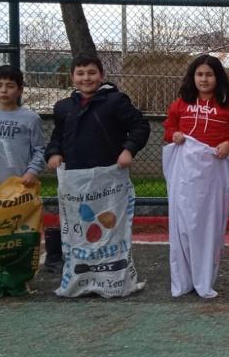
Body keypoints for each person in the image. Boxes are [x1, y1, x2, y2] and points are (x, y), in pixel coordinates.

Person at [44, 55, 150, 273]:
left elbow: (141, 126)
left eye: (92, 73)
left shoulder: (116, 101)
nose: (86, 78)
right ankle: (80, 271)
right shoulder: (63, 107)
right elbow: (58, 136)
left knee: (108, 225)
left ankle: (111, 273)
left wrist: (128, 149)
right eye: (80, 73)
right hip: (75, 178)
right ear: (72, 77)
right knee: (79, 224)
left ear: (101, 75)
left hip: (109, 178)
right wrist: (54, 153)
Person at [162, 55, 229, 298]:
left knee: (208, 225)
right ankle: (183, 280)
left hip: (213, 174)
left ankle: (204, 279)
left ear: (218, 78)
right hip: (185, 175)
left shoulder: (228, 106)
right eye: (200, 74)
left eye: (209, 75)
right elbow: (168, 128)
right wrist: (174, 134)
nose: (204, 79)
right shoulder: (180, 104)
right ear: (192, 77)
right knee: (183, 225)